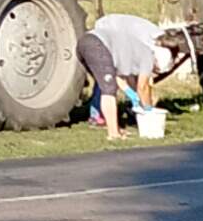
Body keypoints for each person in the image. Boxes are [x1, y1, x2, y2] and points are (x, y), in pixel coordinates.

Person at [75, 11, 190, 140]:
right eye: (155, 70)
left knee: (107, 85)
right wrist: (148, 110)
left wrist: (131, 94)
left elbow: (118, 78)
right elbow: (143, 87)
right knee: (108, 91)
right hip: (96, 43)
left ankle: (115, 128)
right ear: (157, 63)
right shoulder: (149, 57)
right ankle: (113, 134)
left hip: (85, 43)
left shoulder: (136, 54)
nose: (153, 73)